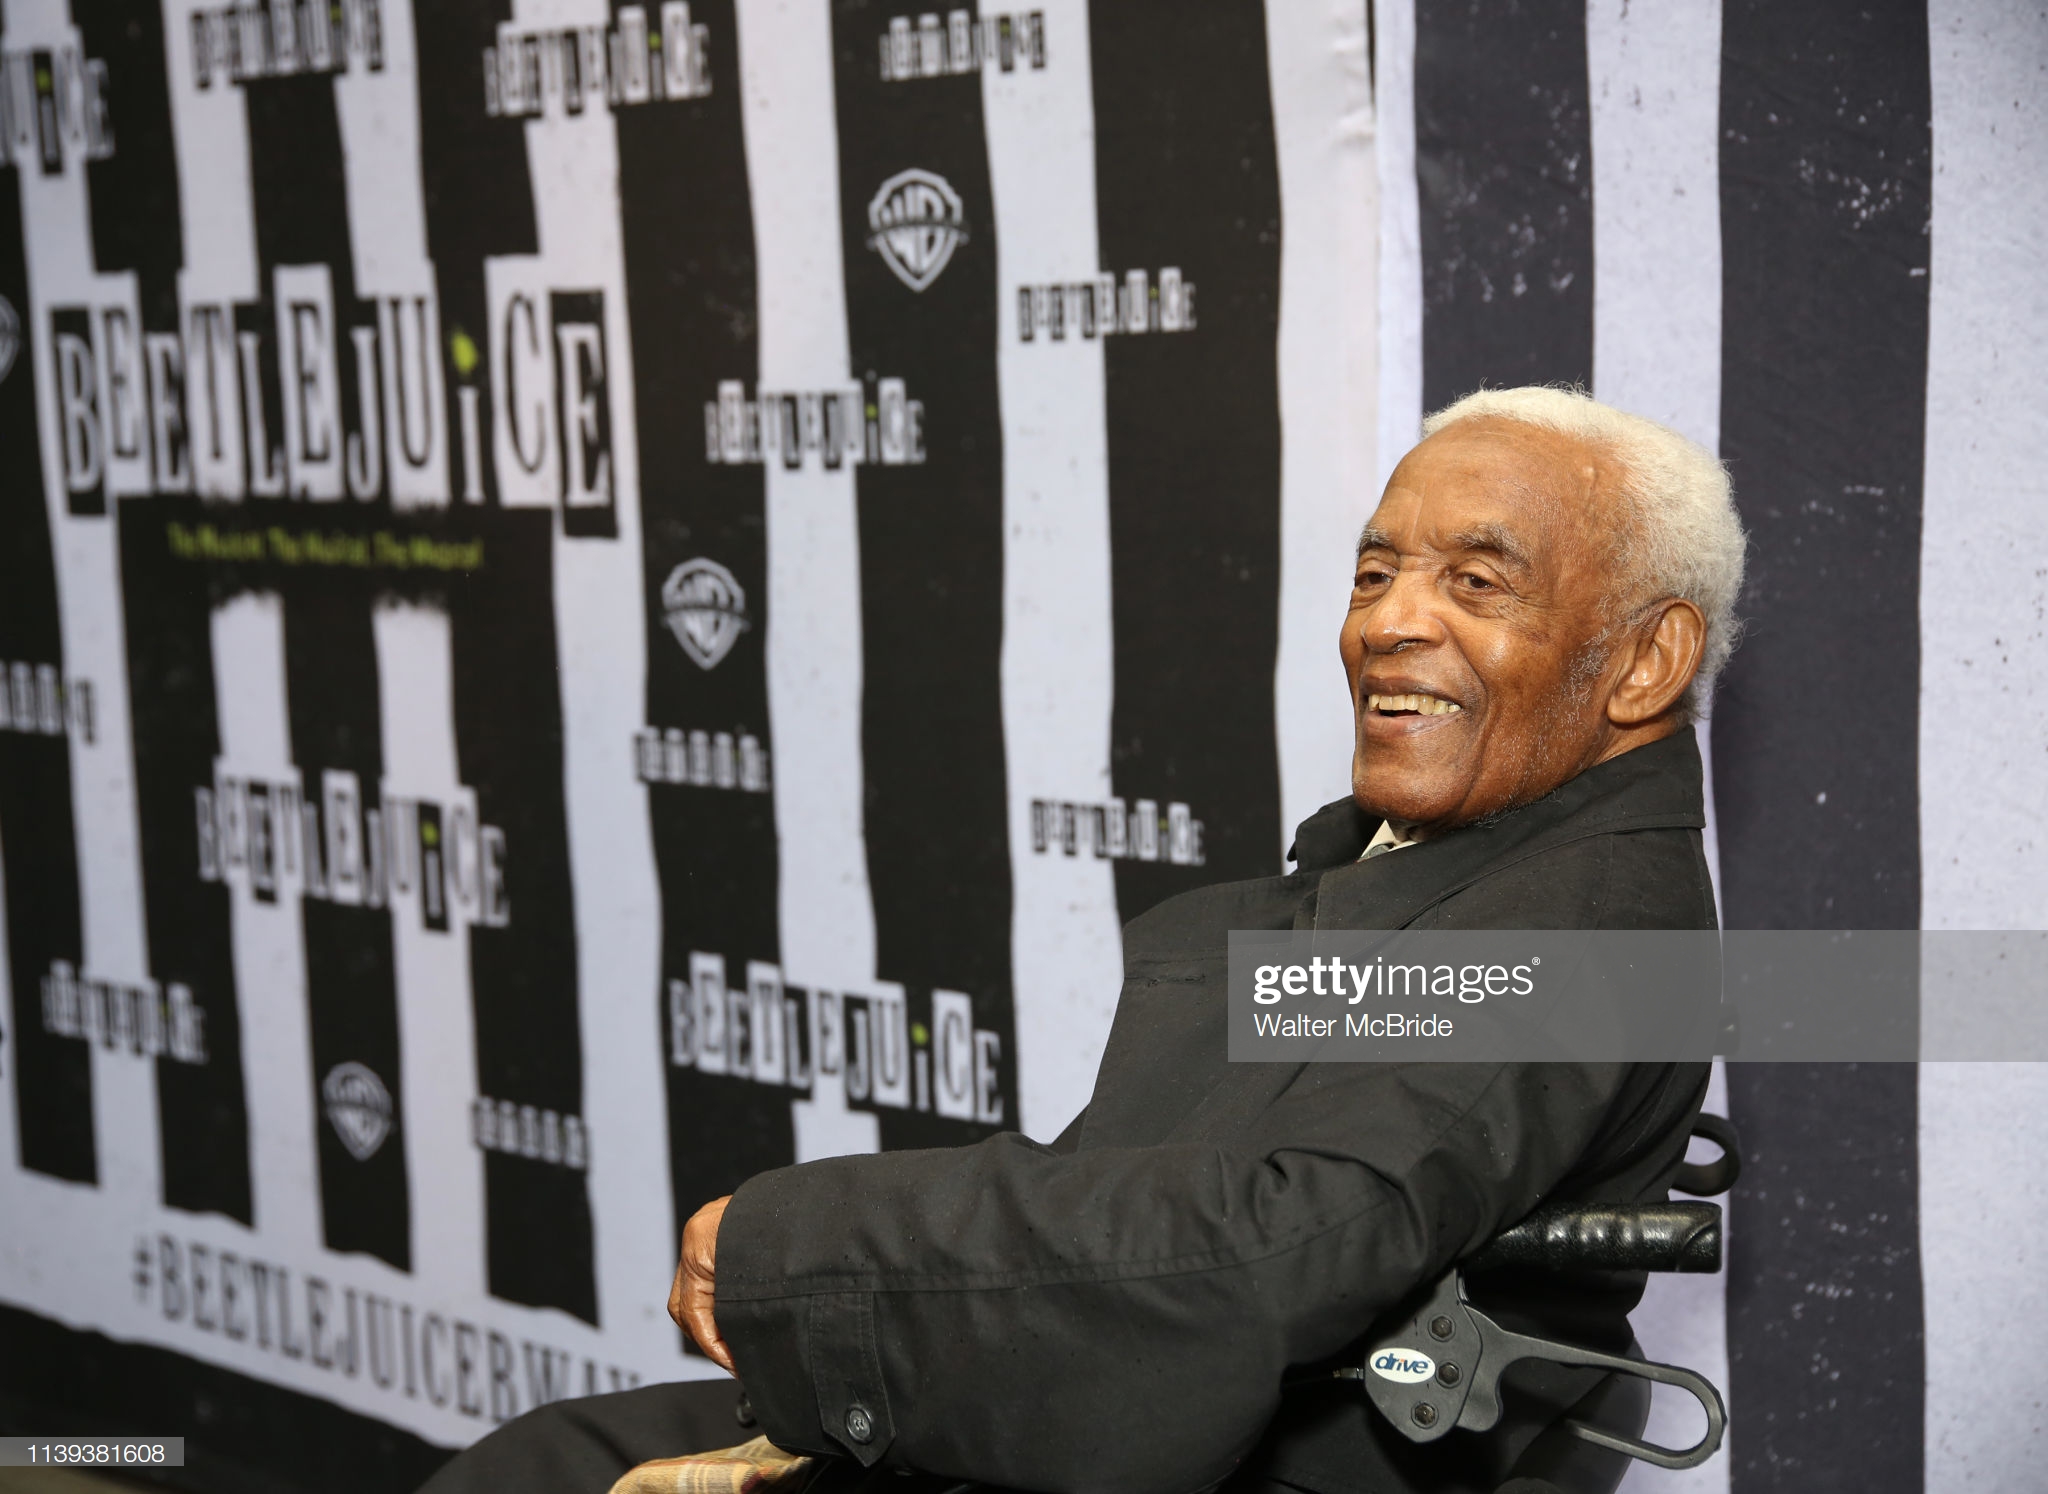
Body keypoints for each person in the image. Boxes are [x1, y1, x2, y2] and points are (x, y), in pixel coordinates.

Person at [421, 387, 1746, 1494]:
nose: (1389, 620)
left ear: (1645, 664)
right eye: (1375, 571)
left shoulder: (1587, 927)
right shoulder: (1452, 871)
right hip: (1133, 1415)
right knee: (551, 1461)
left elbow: (1269, 1245)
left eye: (1476, 581)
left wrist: (803, 1253)